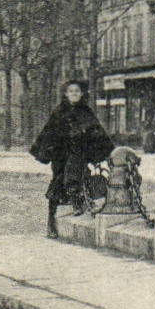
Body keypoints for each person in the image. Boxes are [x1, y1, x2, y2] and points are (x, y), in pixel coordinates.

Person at [30, 80, 114, 237]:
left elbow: (97, 131)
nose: (74, 93)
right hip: (61, 155)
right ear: (66, 94)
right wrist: (47, 149)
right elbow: (49, 131)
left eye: (77, 91)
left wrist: (103, 148)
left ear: (81, 94)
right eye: (71, 91)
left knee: (78, 178)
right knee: (57, 184)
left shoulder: (86, 111)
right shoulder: (59, 112)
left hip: (79, 154)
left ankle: (77, 203)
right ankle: (51, 223)